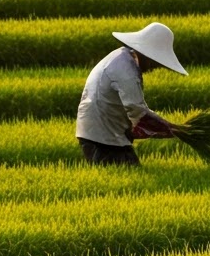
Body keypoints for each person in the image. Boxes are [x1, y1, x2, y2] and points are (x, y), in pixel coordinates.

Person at [76, 23, 189, 166]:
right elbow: (138, 111)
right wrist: (174, 130)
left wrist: (172, 129)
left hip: (105, 131)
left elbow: (134, 112)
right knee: (119, 180)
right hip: (102, 137)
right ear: (146, 54)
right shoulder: (126, 71)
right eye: (155, 62)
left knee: (131, 172)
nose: (155, 67)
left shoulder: (122, 58)